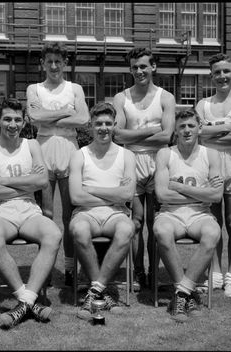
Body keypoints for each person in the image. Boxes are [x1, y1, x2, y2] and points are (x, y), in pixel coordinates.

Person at [0, 98, 62, 329]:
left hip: (28, 209)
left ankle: (24, 302)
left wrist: (2, 181)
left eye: (17, 119)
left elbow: (42, 181)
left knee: (53, 234)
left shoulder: (32, 145)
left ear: (24, 122)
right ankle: (30, 301)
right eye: (7, 119)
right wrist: (26, 183)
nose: (12, 124)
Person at [26, 42, 90, 286]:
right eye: (49, 61)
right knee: (46, 214)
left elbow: (83, 118)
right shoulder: (34, 88)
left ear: (66, 63)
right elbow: (35, 117)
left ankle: (70, 268)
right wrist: (65, 112)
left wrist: (51, 115)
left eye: (58, 62)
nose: (54, 66)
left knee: (71, 215)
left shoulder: (75, 88)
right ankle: (46, 269)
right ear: (42, 63)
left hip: (69, 150)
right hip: (42, 151)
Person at [113, 47, 176, 289]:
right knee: (136, 223)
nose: (139, 71)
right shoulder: (122, 98)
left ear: (153, 67)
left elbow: (167, 136)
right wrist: (151, 130)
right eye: (134, 67)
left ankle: (153, 271)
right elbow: (118, 135)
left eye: (143, 66)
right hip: (131, 165)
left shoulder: (165, 97)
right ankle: (138, 272)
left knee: (156, 223)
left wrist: (134, 136)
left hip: (159, 164)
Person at [153, 109, 223, 322]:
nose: (186, 130)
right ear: (175, 130)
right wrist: (201, 194)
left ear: (199, 128)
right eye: (182, 126)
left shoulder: (210, 154)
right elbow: (162, 194)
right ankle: (186, 294)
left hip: (200, 215)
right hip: (170, 214)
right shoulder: (165, 154)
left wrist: (177, 186)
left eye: (191, 126)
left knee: (213, 233)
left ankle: (181, 293)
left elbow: (217, 196)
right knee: (161, 231)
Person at [68, 102, 136, 321]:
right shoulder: (80, 155)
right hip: (85, 212)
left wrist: (92, 188)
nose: (103, 128)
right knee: (79, 230)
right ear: (90, 125)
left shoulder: (127, 156)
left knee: (127, 229)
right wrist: (114, 192)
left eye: (108, 123)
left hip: (116, 214)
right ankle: (103, 292)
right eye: (98, 124)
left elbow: (127, 196)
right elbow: (76, 197)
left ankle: (94, 291)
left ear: (115, 125)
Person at [195, 53, 231, 298]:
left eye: (226, 71)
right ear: (211, 76)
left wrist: (211, 131)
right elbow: (197, 135)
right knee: (213, 223)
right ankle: (215, 274)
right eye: (217, 72)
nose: (222, 76)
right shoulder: (203, 104)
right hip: (209, 165)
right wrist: (227, 126)